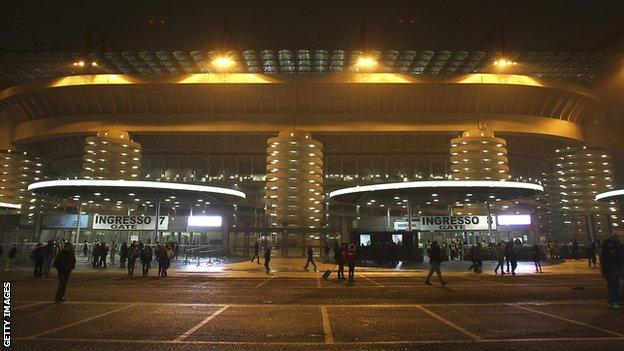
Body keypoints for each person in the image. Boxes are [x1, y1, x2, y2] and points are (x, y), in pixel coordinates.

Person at [599, 236, 623, 309]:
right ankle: (614, 302)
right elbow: (613, 260)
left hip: (608, 270)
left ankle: (612, 301)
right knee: (614, 287)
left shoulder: (604, 249)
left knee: (612, 287)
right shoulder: (610, 249)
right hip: (612, 270)